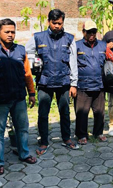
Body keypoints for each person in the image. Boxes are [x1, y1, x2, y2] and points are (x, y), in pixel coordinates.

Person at [0, 18, 37, 175]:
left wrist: (31, 93)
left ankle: (24, 154)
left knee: (22, 129)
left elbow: (27, 73)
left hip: (18, 98)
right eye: (7, 32)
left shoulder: (21, 51)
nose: (10, 35)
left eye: (13, 31)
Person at [26, 9, 79, 154]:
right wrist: (34, 62)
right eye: (54, 23)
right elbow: (25, 52)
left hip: (63, 82)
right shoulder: (38, 37)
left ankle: (66, 138)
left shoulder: (69, 38)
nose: (57, 26)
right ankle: (43, 141)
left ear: (63, 22)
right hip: (45, 82)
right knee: (43, 113)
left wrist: (74, 83)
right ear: (48, 22)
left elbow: (73, 62)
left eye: (60, 23)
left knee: (65, 112)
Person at [75, 20, 113, 145]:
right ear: (83, 32)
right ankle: (81, 135)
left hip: (99, 84)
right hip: (82, 86)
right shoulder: (76, 46)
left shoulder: (103, 46)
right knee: (82, 112)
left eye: (94, 32)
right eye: (89, 32)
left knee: (99, 112)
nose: (91, 34)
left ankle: (98, 132)